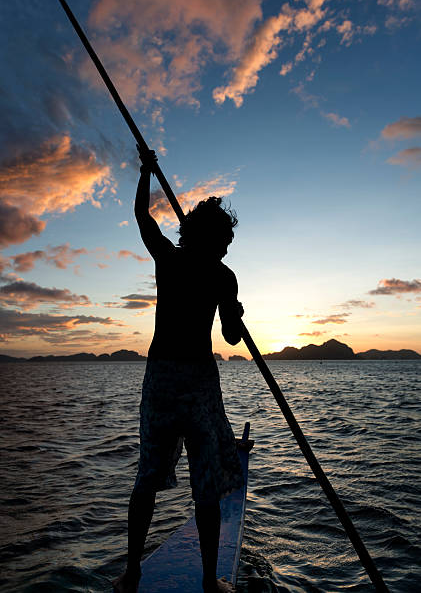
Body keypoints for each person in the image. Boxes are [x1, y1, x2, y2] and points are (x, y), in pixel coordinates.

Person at [113, 149, 244, 593]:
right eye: (224, 239)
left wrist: (236, 316)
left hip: (188, 381)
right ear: (206, 236)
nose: (227, 247)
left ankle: (190, 579)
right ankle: (145, 574)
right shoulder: (184, 263)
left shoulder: (215, 274)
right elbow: (142, 218)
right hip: (174, 381)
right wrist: (146, 172)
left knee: (188, 483)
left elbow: (228, 337)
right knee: (159, 479)